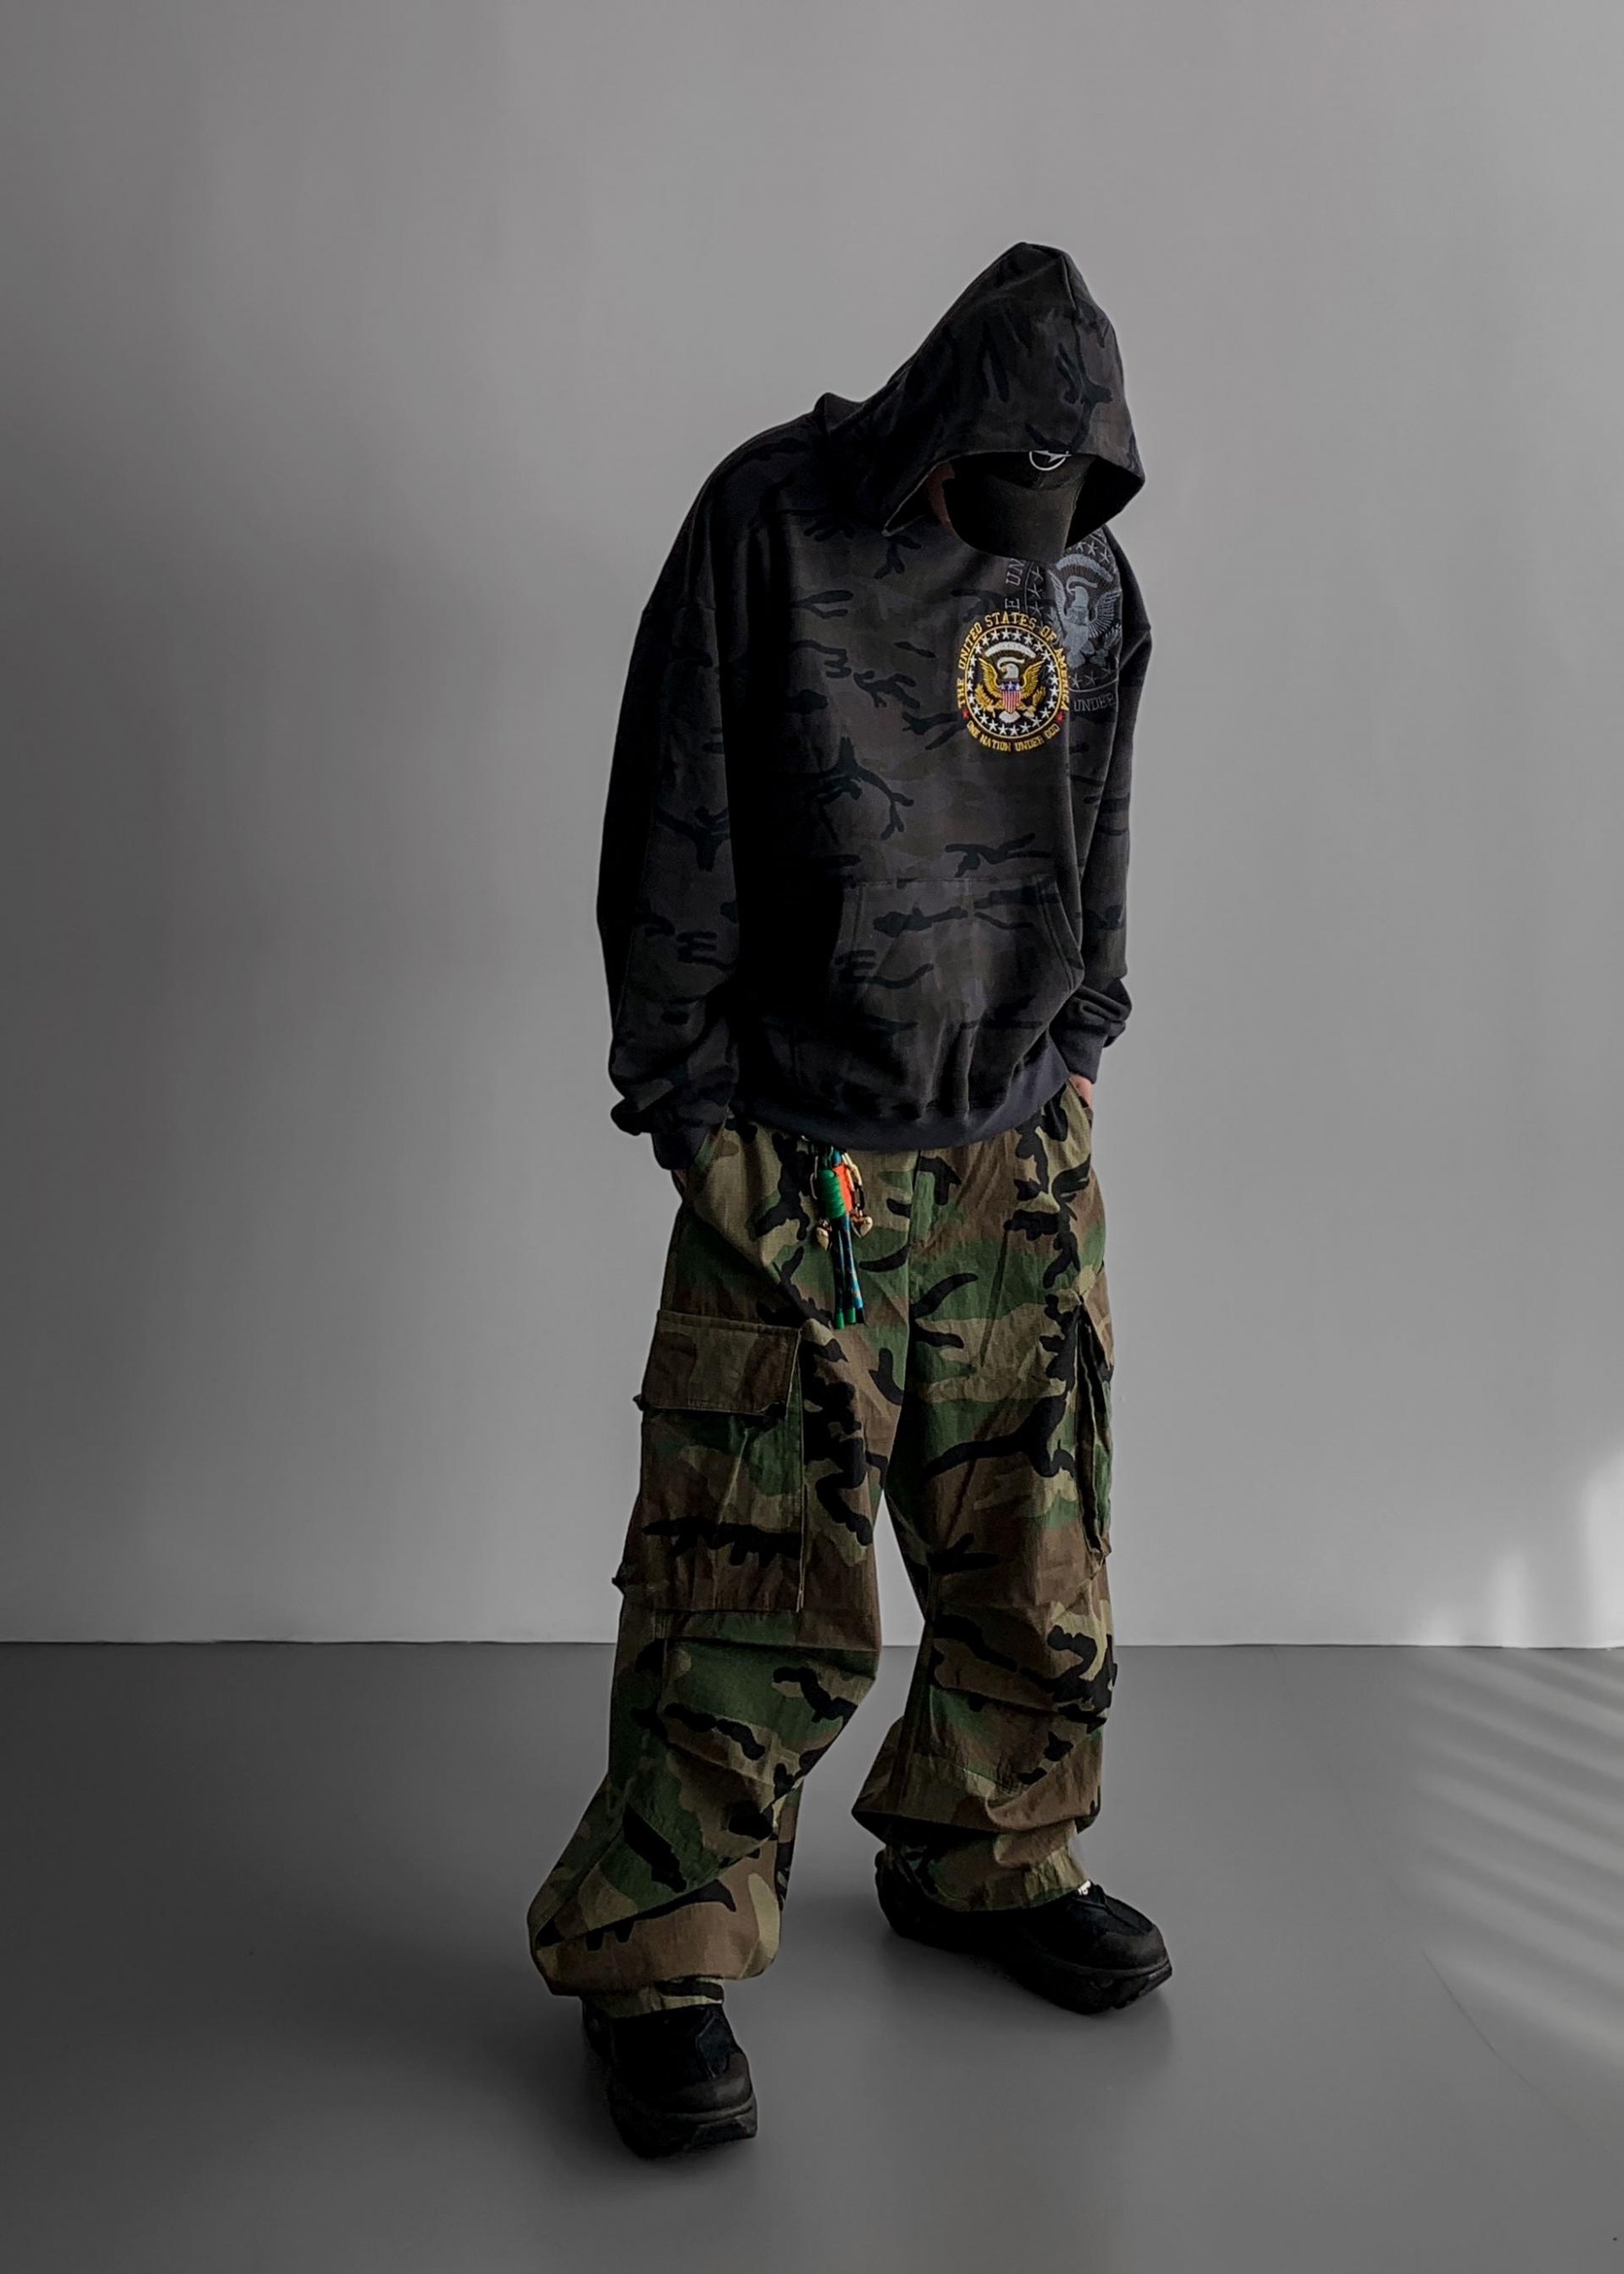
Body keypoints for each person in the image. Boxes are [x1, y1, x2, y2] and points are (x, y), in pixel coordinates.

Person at [528, 241, 1169, 2159]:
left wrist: (1081, 1032)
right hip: (797, 1144)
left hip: (1010, 1146)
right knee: (747, 1579)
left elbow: (1096, 808)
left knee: (1035, 1554)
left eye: (1064, 498)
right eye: (996, 491)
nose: (1024, 530)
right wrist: (687, 1100)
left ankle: (990, 1850)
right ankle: (655, 1955)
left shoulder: (1084, 574)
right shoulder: (771, 525)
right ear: (938, 431)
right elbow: (675, 798)